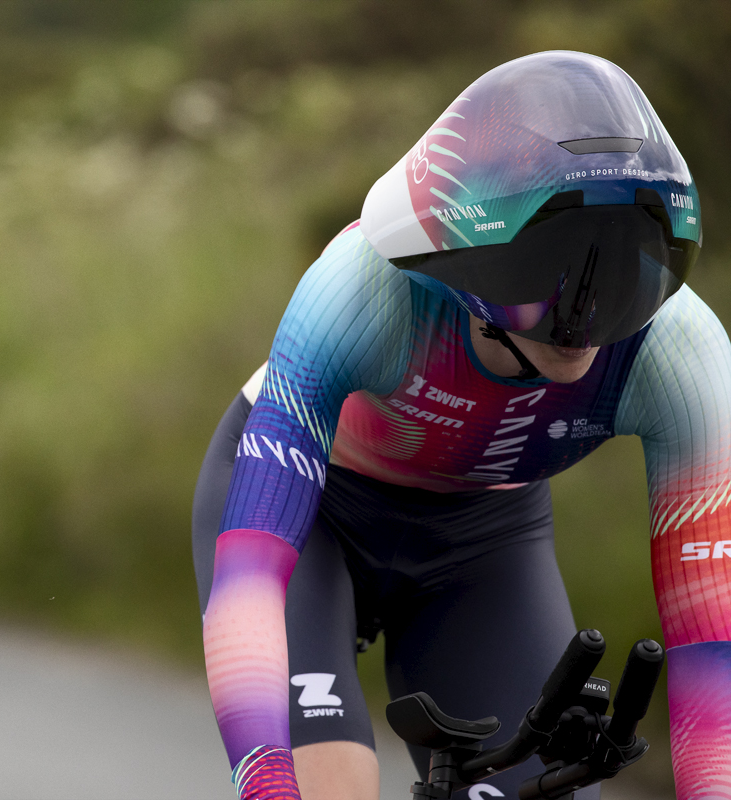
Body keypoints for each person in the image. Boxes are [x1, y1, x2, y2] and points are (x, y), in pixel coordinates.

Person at [192, 51, 729, 800]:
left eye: (623, 274)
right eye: (549, 275)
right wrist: (267, 781)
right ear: (467, 263)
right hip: (319, 512)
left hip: (485, 536)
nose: (585, 319)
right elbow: (249, 579)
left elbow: (712, 634)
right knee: (327, 786)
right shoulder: (362, 292)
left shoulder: (682, 350)